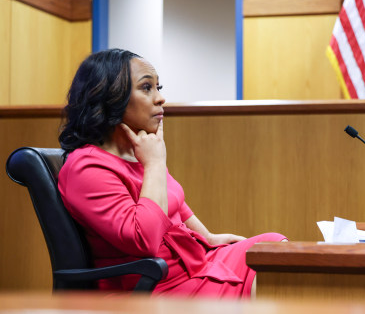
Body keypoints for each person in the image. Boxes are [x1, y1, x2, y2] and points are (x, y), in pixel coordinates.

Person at [58, 49, 287, 298]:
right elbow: (144, 239)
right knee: (270, 279)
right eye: (147, 88)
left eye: (158, 87)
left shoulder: (137, 152)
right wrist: (155, 164)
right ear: (110, 97)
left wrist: (208, 236)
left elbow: (176, 202)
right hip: (155, 285)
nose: (160, 98)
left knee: (272, 248)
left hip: (191, 266)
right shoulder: (87, 168)